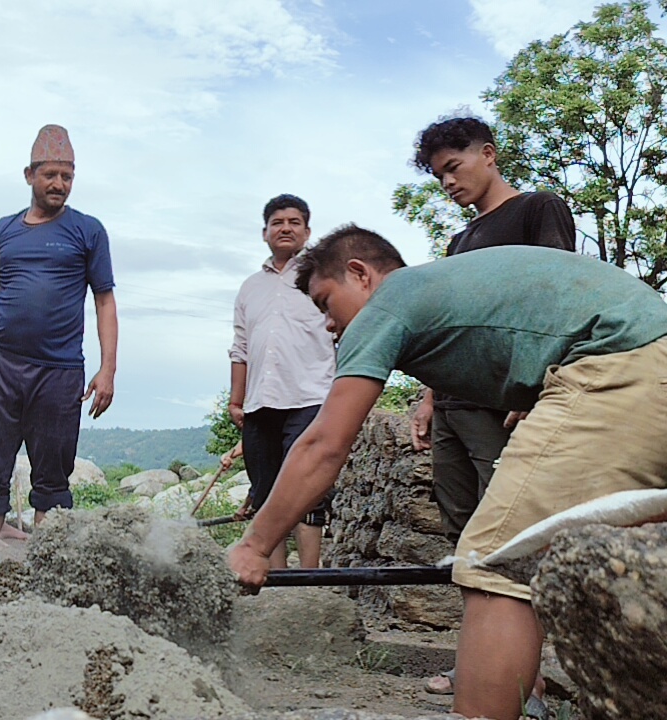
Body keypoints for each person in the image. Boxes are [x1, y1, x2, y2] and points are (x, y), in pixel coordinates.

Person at [229, 225, 667, 720]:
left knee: (497, 560)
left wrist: (255, 546)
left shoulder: (389, 303)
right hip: (644, 356)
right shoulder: (435, 292)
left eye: (326, 303)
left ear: (360, 274)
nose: (328, 324)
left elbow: (325, 444)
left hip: (619, 363)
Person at [405, 117, 576, 706]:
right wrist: (429, 396)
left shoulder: (537, 210)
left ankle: (525, 678)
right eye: (438, 176)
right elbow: (452, 328)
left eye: (453, 168)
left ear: (489, 154)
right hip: (453, 405)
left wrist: (534, 389)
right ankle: (479, 665)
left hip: (503, 402)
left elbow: (558, 296)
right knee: (465, 542)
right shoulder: (459, 242)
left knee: (511, 538)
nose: (447, 183)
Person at [0, 124, 118, 581]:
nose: (59, 184)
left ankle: (42, 584)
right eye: (50, 175)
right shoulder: (1, 232)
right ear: (29, 175)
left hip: (60, 373)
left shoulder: (88, 231)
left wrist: (108, 369)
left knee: (52, 481)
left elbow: (104, 301)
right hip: (1, 367)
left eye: (67, 176)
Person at [220, 194, 335, 569]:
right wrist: (236, 401)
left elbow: (343, 331)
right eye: (277, 223)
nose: (285, 228)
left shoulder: (323, 277)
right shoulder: (250, 287)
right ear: (265, 232)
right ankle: (276, 580)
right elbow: (240, 346)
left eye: (294, 222)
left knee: (306, 489)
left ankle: (310, 578)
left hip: (310, 397)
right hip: (260, 402)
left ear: (307, 232)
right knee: (265, 491)